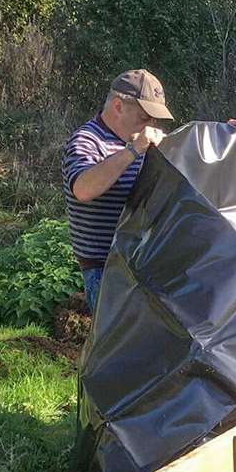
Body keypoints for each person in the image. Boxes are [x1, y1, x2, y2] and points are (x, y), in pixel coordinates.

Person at [61, 69, 172, 314]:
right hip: (106, 273)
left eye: (155, 119)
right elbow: (83, 188)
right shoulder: (86, 141)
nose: (151, 125)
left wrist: (226, 136)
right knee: (121, 352)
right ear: (118, 106)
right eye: (145, 117)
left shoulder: (137, 140)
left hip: (143, 267)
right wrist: (134, 150)